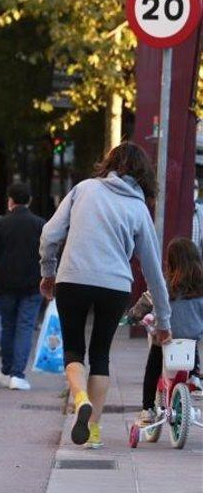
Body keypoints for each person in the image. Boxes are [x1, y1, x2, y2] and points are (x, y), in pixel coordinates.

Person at [40, 142, 171, 448]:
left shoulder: (83, 189)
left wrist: (48, 271)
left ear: (109, 163)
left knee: (73, 349)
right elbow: (153, 269)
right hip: (114, 286)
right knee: (100, 355)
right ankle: (93, 433)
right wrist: (163, 319)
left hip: (72, 278)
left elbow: (49, 233)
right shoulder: (139, 208)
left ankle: (80, 398)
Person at [129, 238, 203, 428]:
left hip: (165, 337)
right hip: (190, 337)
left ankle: (147, 409)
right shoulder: (200, 286)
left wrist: (133, 316)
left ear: (170, 261)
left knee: (153, 367)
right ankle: (195, 374)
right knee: (192, 342)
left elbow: (145, 302)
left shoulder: (163, 285)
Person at [0, 183, 46, 391]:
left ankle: (6, 369)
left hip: (6, 285)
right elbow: (48, 254)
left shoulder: (1, 224)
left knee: (8, 327)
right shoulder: (39, 224)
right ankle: (18, 374)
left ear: (10, 200)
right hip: (32, 285)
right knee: (25, 328)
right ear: (29, 200)